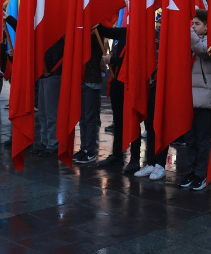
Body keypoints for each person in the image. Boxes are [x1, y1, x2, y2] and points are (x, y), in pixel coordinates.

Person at [179, 10, 211, 191]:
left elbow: (203, 51)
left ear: (206, 26)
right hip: (188, 98)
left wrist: (185, 30)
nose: (193, 27)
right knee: (191, 140)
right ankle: (191, 171)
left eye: (196, 24)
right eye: (192, 23)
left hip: (204, 99)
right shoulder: (191, 41)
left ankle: (201, 174)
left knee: (203, 140)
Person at [96, 25, 139, 171]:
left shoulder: (143, 34)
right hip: (117, 81)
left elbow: (136, 61)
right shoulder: (125, 31)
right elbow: (106, 31)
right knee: (118, 121)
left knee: (133, 121)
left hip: (130, 83)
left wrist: (113, 60)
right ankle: (117, 155)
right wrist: (96, 20)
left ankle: (135, 159)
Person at [133, 14, 170, 181]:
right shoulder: (151, 34)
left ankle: (160, 164)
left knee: (161, 125)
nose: (158, 24)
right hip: (149, 83)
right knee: (149, 126)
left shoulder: (171, 35)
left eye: (161, 22)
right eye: (157, 22)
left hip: (164, 85)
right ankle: (151, 162)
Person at [73, 29, 104, 163]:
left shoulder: (96, 34)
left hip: (91, 80)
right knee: (82, 118)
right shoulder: (87, 34)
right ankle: (84, 148)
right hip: (83, 80)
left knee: (89, 118)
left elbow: (87, 41)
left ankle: (90, 150)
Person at [33, 37, 64, 157]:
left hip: (53, 75)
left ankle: (53, 143)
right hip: (44, 76)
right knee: (42, 113)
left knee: (51, 114)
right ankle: (44, 141)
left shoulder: (59, 35)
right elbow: (31, 32)